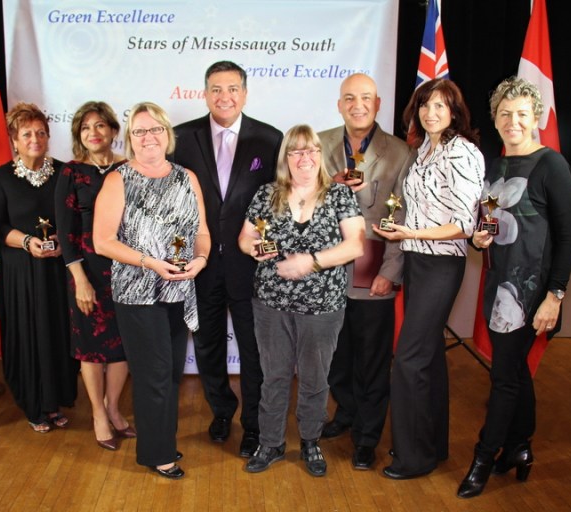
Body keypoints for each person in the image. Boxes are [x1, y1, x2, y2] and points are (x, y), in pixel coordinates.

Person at [457, 77, 571, 498]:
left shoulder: (552, 165)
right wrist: (477, 238)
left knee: (504, 378)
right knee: (514, 372)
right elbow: (484, 224)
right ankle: (520, 446)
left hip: (532, 294)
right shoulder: (495, 167)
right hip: (496, 286)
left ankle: (484, 456)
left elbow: (568, 238)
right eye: (505, 114)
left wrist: (555, 296)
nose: (513, 121)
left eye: (521, 114)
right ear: (495, 119)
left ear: (536, 118)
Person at [238, 125, 365, 476]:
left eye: (310, 150)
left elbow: (355, 245)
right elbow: (245, 239)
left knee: (315, 378)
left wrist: (310, 262)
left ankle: (310, 442)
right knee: (274, 376)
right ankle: (271, 443)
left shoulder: (339, 195)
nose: (304, 157)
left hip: (322, 307)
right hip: (271, 304)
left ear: (320, 155)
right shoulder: (267, 194)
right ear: (286, 158)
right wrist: (255, 249)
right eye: (295, 151)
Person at [373, 78, 484, 479]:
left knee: (408, 359)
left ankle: (412, 457)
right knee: (430, 357)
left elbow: (463, 225)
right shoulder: (422, 151)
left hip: (441, 263)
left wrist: (410, 233)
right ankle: (432, 445)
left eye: (440, 105)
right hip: (416, 259)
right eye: (424, 105)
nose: (430, 112)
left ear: (454, 111)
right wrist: (400, 230)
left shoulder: (463, 153)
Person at [93, 102, 211, 479]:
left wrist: (201, 260)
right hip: (138, 292)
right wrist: (149, 261)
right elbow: (102, 241)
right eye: (140, 131)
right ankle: (158, 454)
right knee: (154, 374)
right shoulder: (118, 179)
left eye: (155, 129)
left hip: (179, 289)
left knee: (171, 372)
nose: (148, 137)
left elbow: (203, 232)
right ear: (130, 139)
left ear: (167, 134)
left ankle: (160, 438)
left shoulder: (186, 178)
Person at [172, 60, 283, 457]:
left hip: (250, 267)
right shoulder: (182, 138)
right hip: (200, 265)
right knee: (207, 345)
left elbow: (278, 199)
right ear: (205, 94)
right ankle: (221, 411)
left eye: (232, 88)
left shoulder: (270, 139)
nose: (224, 96)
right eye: (216, 89)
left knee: (254, 350)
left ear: (245, 93)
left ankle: (253, 424)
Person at [318, 74, 413, 471]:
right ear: (339, 104)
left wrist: (391, 271)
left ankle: (367, 437)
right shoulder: (318, 144)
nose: (358, 105)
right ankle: (347, 413)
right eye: (349, 98)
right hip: (327, 273)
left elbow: (405, 214)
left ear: (377, 105)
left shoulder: (400, 152)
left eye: (366, 99)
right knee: (335, 357)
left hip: (374, 273)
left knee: (372, 360)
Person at [0, 102, 78, 433]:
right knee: (27, 333)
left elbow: (77, 218)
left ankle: (54, 401)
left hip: (57, 271)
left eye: (41, 132)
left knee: (57, 332)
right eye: (27, 133)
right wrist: (28, 243)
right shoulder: (1, 177)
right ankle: (34, 405)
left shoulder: (66, 172)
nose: (35, 138)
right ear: (14, 139)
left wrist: (61, 243)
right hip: (21, 273)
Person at [55, 101, 132, 450]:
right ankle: (97, 415)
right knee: (90, 348)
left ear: (114, 130)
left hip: (128, 269)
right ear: (78, 136)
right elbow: (65, 231)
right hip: (87, 271)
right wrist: (80, 279)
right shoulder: (71, 173)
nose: (94, 133)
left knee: (122, 345)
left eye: (100, 126)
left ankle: (114, 408)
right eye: (86, 128)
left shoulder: (130, 168)